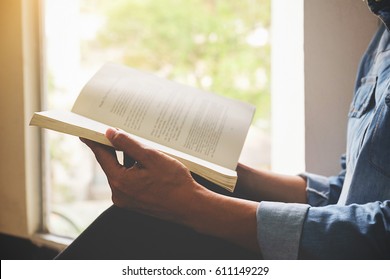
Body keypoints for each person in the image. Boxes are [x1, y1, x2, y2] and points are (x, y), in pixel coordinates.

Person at [56, 0, 390, 260]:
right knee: (156, 210)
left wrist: (193, 205)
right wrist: (222, 170)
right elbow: (346, 192)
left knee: (149, 223)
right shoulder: (380, 40)